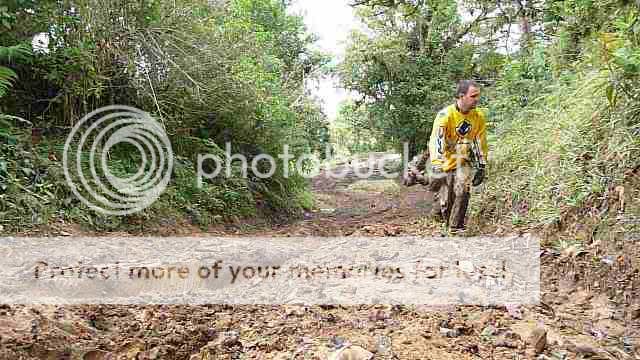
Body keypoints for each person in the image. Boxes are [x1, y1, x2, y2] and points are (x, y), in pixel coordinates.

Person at [404, 80, 488, 229]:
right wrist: (436, 163)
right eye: (473, 96)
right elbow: (437, 140)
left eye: (477, 95)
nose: (477, 99)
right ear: (461, 96)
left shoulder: (478, 117)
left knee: (463, 190)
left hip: (462, 160)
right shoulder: (445, 115)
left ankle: (457, 228)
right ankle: (419, 178)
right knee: (445, 199)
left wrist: (481, 165)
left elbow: (479, 142)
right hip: (444, 161)